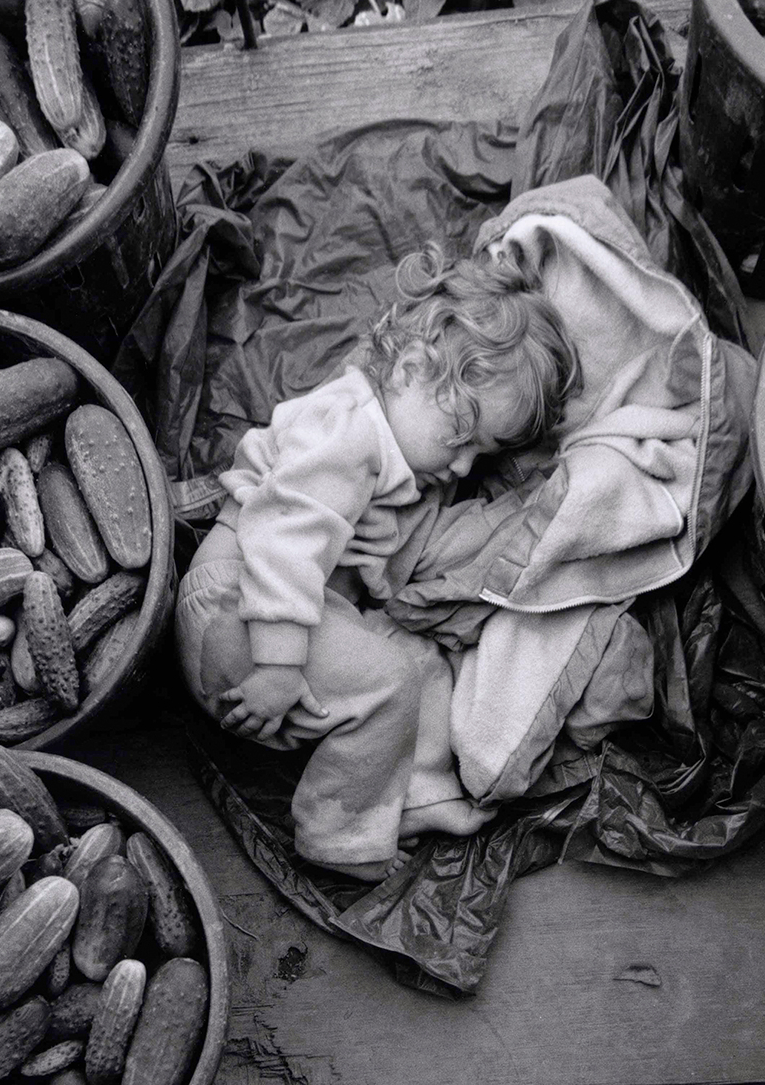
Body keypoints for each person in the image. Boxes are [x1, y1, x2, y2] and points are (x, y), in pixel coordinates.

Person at [173, 247, 581, 880]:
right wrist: (279, 665)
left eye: (484, 450)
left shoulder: (395, 444)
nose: (466, 466)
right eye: (462, 436)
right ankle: (338, 835)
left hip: (293, 616)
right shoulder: (347, 430)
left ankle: (416, 795)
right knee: (389, 675)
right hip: (238, 612)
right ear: (413, 369)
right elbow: (280, 536)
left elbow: (367, 561)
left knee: (419, 662)